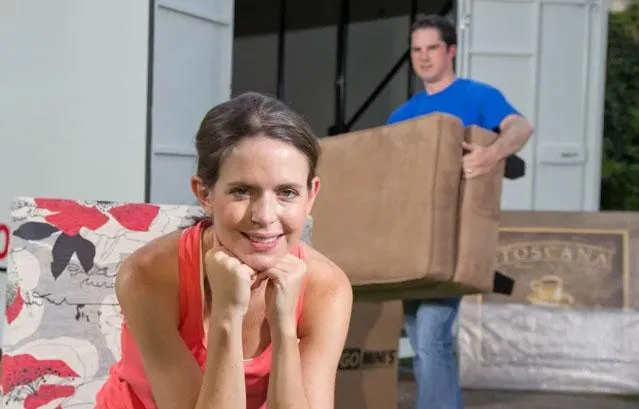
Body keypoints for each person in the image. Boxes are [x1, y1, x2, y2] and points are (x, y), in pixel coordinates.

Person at [95, 92, 353, 409]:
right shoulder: (148, 275)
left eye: (287, 192)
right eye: (242, 191)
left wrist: (284, 328)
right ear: (205, 193)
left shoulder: (327, 289)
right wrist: (227, 314)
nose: (265, 216)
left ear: (311, 195)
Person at [386, 15, 533, 409]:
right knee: (422, 339)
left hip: (456, 238)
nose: (423, 57)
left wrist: (491, 154)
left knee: (431, 334)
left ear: (451, 50)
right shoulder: (401, 116)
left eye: (432, 48)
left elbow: (520, 128)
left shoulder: (477, 96)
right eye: (416, 50)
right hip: (412, 241)